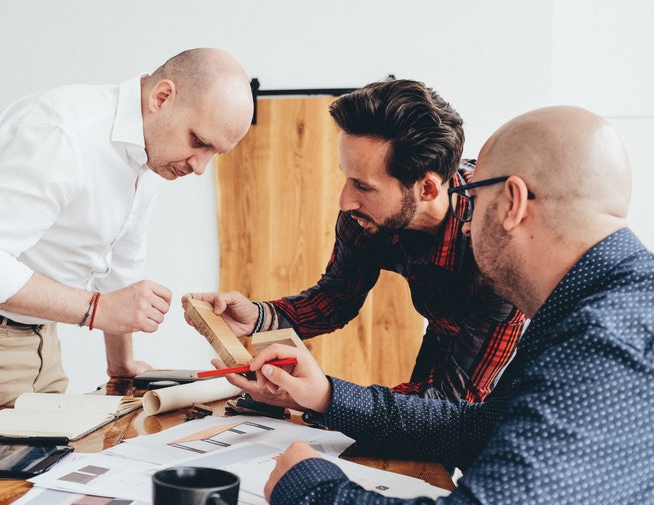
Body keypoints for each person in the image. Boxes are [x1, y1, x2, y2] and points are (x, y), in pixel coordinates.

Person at [215, 106, 654, 505]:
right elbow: (475, 428)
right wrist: (327, 396)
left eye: (474, 195)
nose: (468, 222)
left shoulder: (614, 340)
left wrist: (309, 491)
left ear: (512, 202)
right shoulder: (589, 311)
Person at [0, 48, 254, 442]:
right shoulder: (60, 132)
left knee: (43, 475)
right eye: (198, 142)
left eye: (215, 153)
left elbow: (121, 268)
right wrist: (97, 309)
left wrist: (121, 362)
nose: (200, 166)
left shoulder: (150, 152)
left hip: (37, 332)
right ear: (161, 98)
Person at [186, 79, 525, 403]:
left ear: (427, 189)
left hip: (517, 362)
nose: (345, 201)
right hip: (443, 336)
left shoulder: (496, 251)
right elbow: (336, 298)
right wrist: (260, 317)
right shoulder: (365, 217)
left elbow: (452, 402)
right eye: (347, 179)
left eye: (363, 186)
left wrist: (326, 397)